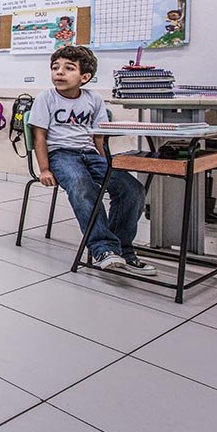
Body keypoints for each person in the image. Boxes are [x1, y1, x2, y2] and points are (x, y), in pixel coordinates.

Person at [29, 45, 154, 274]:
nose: (59, 72)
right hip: (60, 154)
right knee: (82, 185)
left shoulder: (94, 99)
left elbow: (99, 137)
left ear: (84, 77)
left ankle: (122, 250)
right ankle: (103, 248)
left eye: (68, 68)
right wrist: (44, 169)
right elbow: (40, 136)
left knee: (132, 189)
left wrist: (109, 165)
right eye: (55, 68)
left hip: (91, 154)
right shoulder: (45, 98)